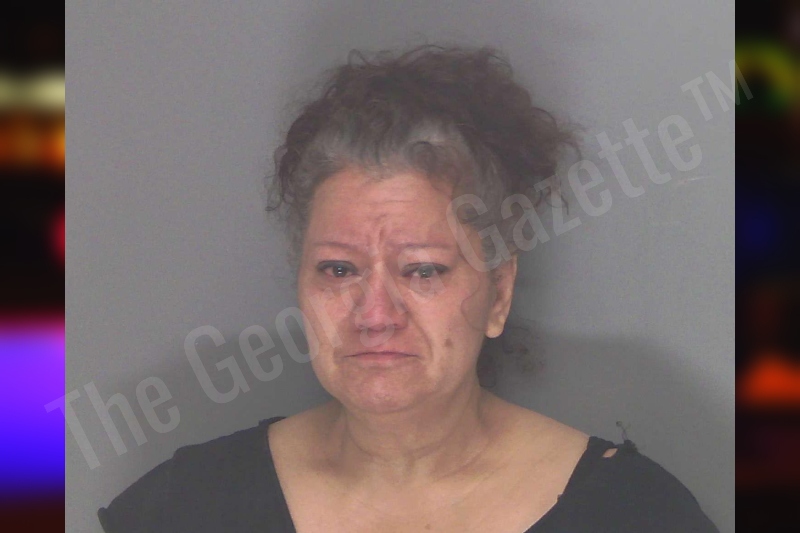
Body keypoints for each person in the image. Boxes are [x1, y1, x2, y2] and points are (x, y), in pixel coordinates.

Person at [97, 44, 719, 532]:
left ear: (499, 293)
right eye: (339, 270)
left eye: (423, 270)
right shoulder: (188, 508)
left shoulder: (630, 514)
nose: (374, 314)